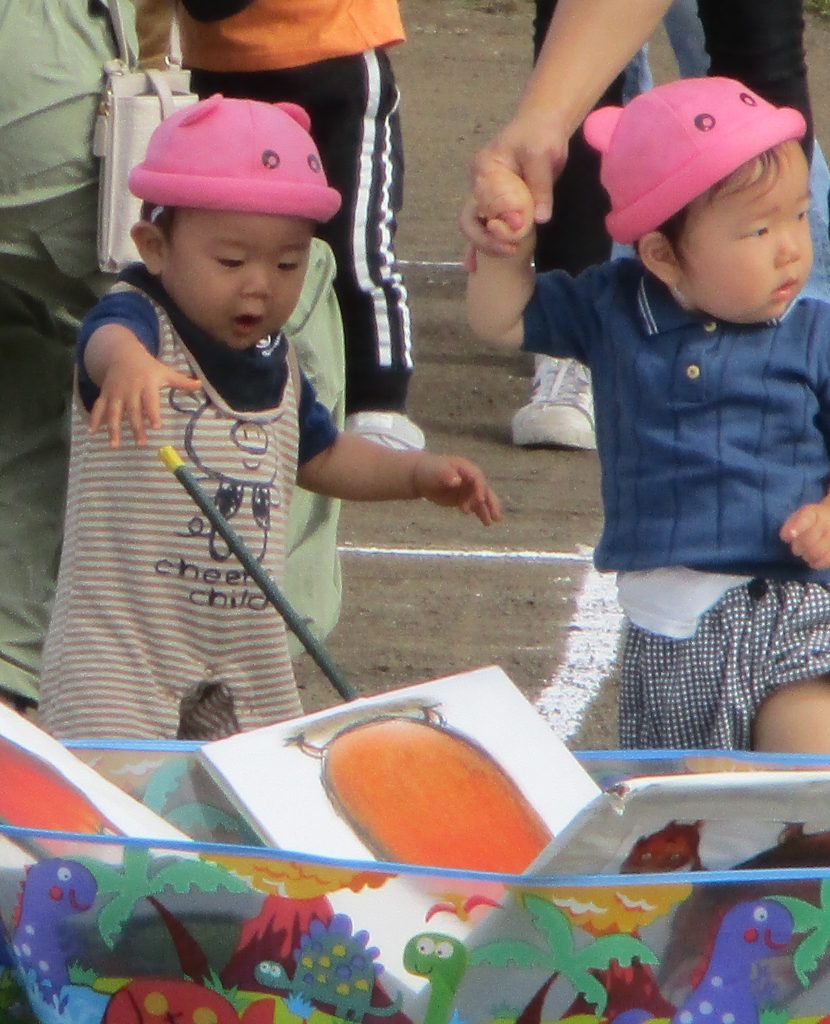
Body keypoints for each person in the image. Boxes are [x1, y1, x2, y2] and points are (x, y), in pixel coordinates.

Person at [38, 96, 501, 742]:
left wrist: (416, 474)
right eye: (231, 262)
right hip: (124, 656)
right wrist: (126, 366)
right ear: (155, 246)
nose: (260, 284)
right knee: (115, 814)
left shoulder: (277, 363)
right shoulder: (138, 320)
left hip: (244, 658)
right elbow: (102, 341)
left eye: (287, 264)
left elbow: (322, 456)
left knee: (248, 811)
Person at [467, 77, 830, 753]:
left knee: (807, 774)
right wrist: (504, 247)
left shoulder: (813, 333)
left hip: (793, 602)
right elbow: (502, 316)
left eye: (798, 216)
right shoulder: (614, 307)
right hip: (667, 626)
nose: (790, 247)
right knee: (691, 824)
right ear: (662, 255)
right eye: (758, 228)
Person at [161, 0, 425, 452]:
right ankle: (224, 383)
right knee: (212, 243)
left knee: (354, 245)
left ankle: (377, 397)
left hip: (333, 53)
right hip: (210, 65)